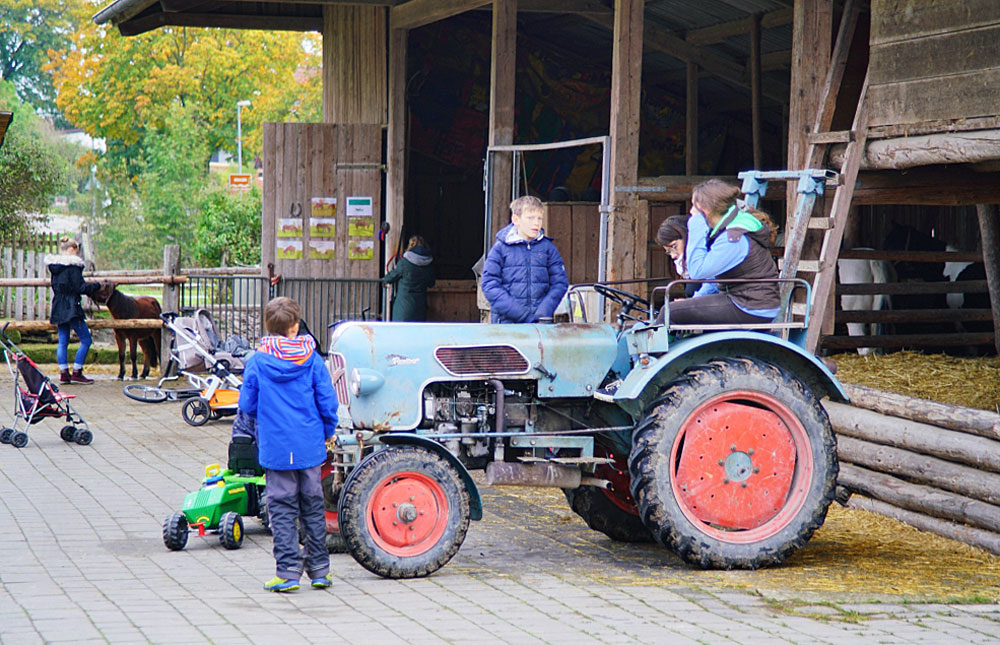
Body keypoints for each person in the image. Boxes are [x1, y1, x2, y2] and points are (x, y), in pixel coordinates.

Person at [238, 296, 339, 593]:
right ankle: (320, 570)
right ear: (295, 327)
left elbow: (247, 404)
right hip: (309, 445)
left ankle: (288, 573)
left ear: (269, 327)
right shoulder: (312, 359)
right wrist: (328, 430)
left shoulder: (257, 361)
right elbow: (327, 401)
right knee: (312, 504)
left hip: (276, 446)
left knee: (281, 507)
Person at [663, 179, 780, 326]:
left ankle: (656, 349)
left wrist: (696, 223)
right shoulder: (732, 228)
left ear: (706, 209)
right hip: (749, 301)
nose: (691, 211)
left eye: (694, 206)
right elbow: (710, 276)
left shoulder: (732, 238)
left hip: (750, 306)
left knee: (670, 312)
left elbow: (697, 271)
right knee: (679, 312)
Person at [482, 195, 568, 324]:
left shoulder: (548, 248)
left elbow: (560, 283)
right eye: (530, 218)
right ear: (516, 220)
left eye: (539, 218)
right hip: (507, 323)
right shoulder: (500, 248)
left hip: (540, 323)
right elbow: (489, 284)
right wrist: (520, 313)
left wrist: (544, 312)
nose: (536, 223)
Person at [47, 236, 100, 384]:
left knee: (63, 341)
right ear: (71, 250)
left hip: (58, 304)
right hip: (72, 306)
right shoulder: (73, 266)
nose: (77, 255)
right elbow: (80, 288)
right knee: (86, 339)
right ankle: (77, 371)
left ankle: (64, 373)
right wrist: (96, 286)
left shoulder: (54, 267)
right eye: (76, 251)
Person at [382, 235, 436, 321]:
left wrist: (384, 279)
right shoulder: (428, 265)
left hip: (403, 309)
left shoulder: (404, 263)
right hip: (420, 308)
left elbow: (390, 278)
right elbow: (431, 283)